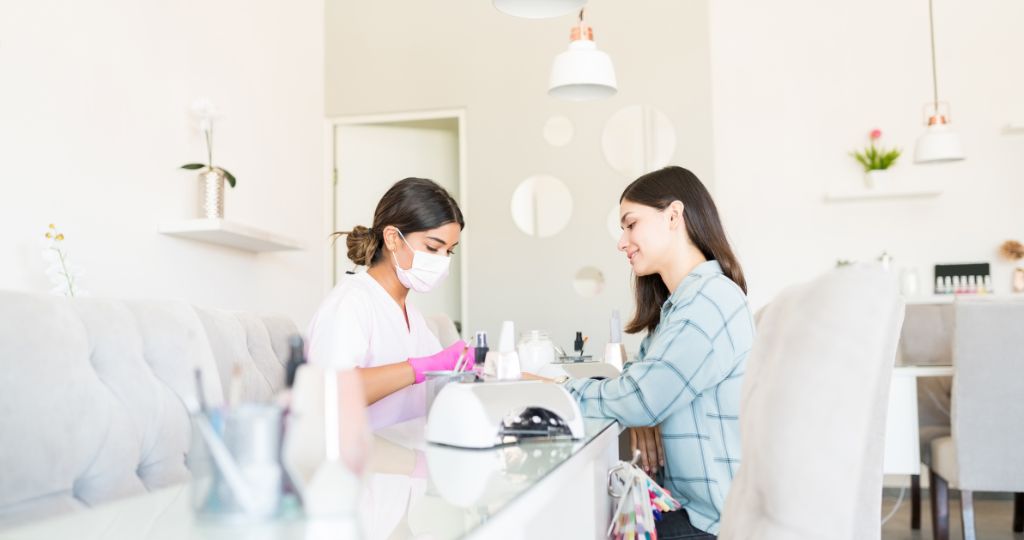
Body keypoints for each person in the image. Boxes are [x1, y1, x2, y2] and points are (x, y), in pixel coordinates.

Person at [560, 166, 754, 538]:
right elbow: (641, 386)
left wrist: (558, 394)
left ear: (674, 216)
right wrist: (640, 412)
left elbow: (640, 397)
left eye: (630, 224)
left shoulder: (709, 301)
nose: (622, 242)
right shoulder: (681, 306)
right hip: (691, 507)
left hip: (713, 524)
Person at [307, 177, 474, 430]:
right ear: (393, 238)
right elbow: (332, 393)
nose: (442, 261)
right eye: (433, 247)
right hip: (363, 461)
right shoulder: (351, 302)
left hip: (406, 454)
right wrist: (423, 367)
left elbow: (446, 382)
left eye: (449, 251)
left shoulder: (412, 315)